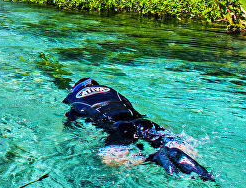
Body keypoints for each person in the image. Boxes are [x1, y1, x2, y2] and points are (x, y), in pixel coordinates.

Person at [63, 77, 213, 180]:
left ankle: (153, 159)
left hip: (118, 128)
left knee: (109, 161)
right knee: (173, 141)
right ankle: (179, 152)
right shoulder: (110, 90)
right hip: (143, 122)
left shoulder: (74, 98)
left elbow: (74, 126)